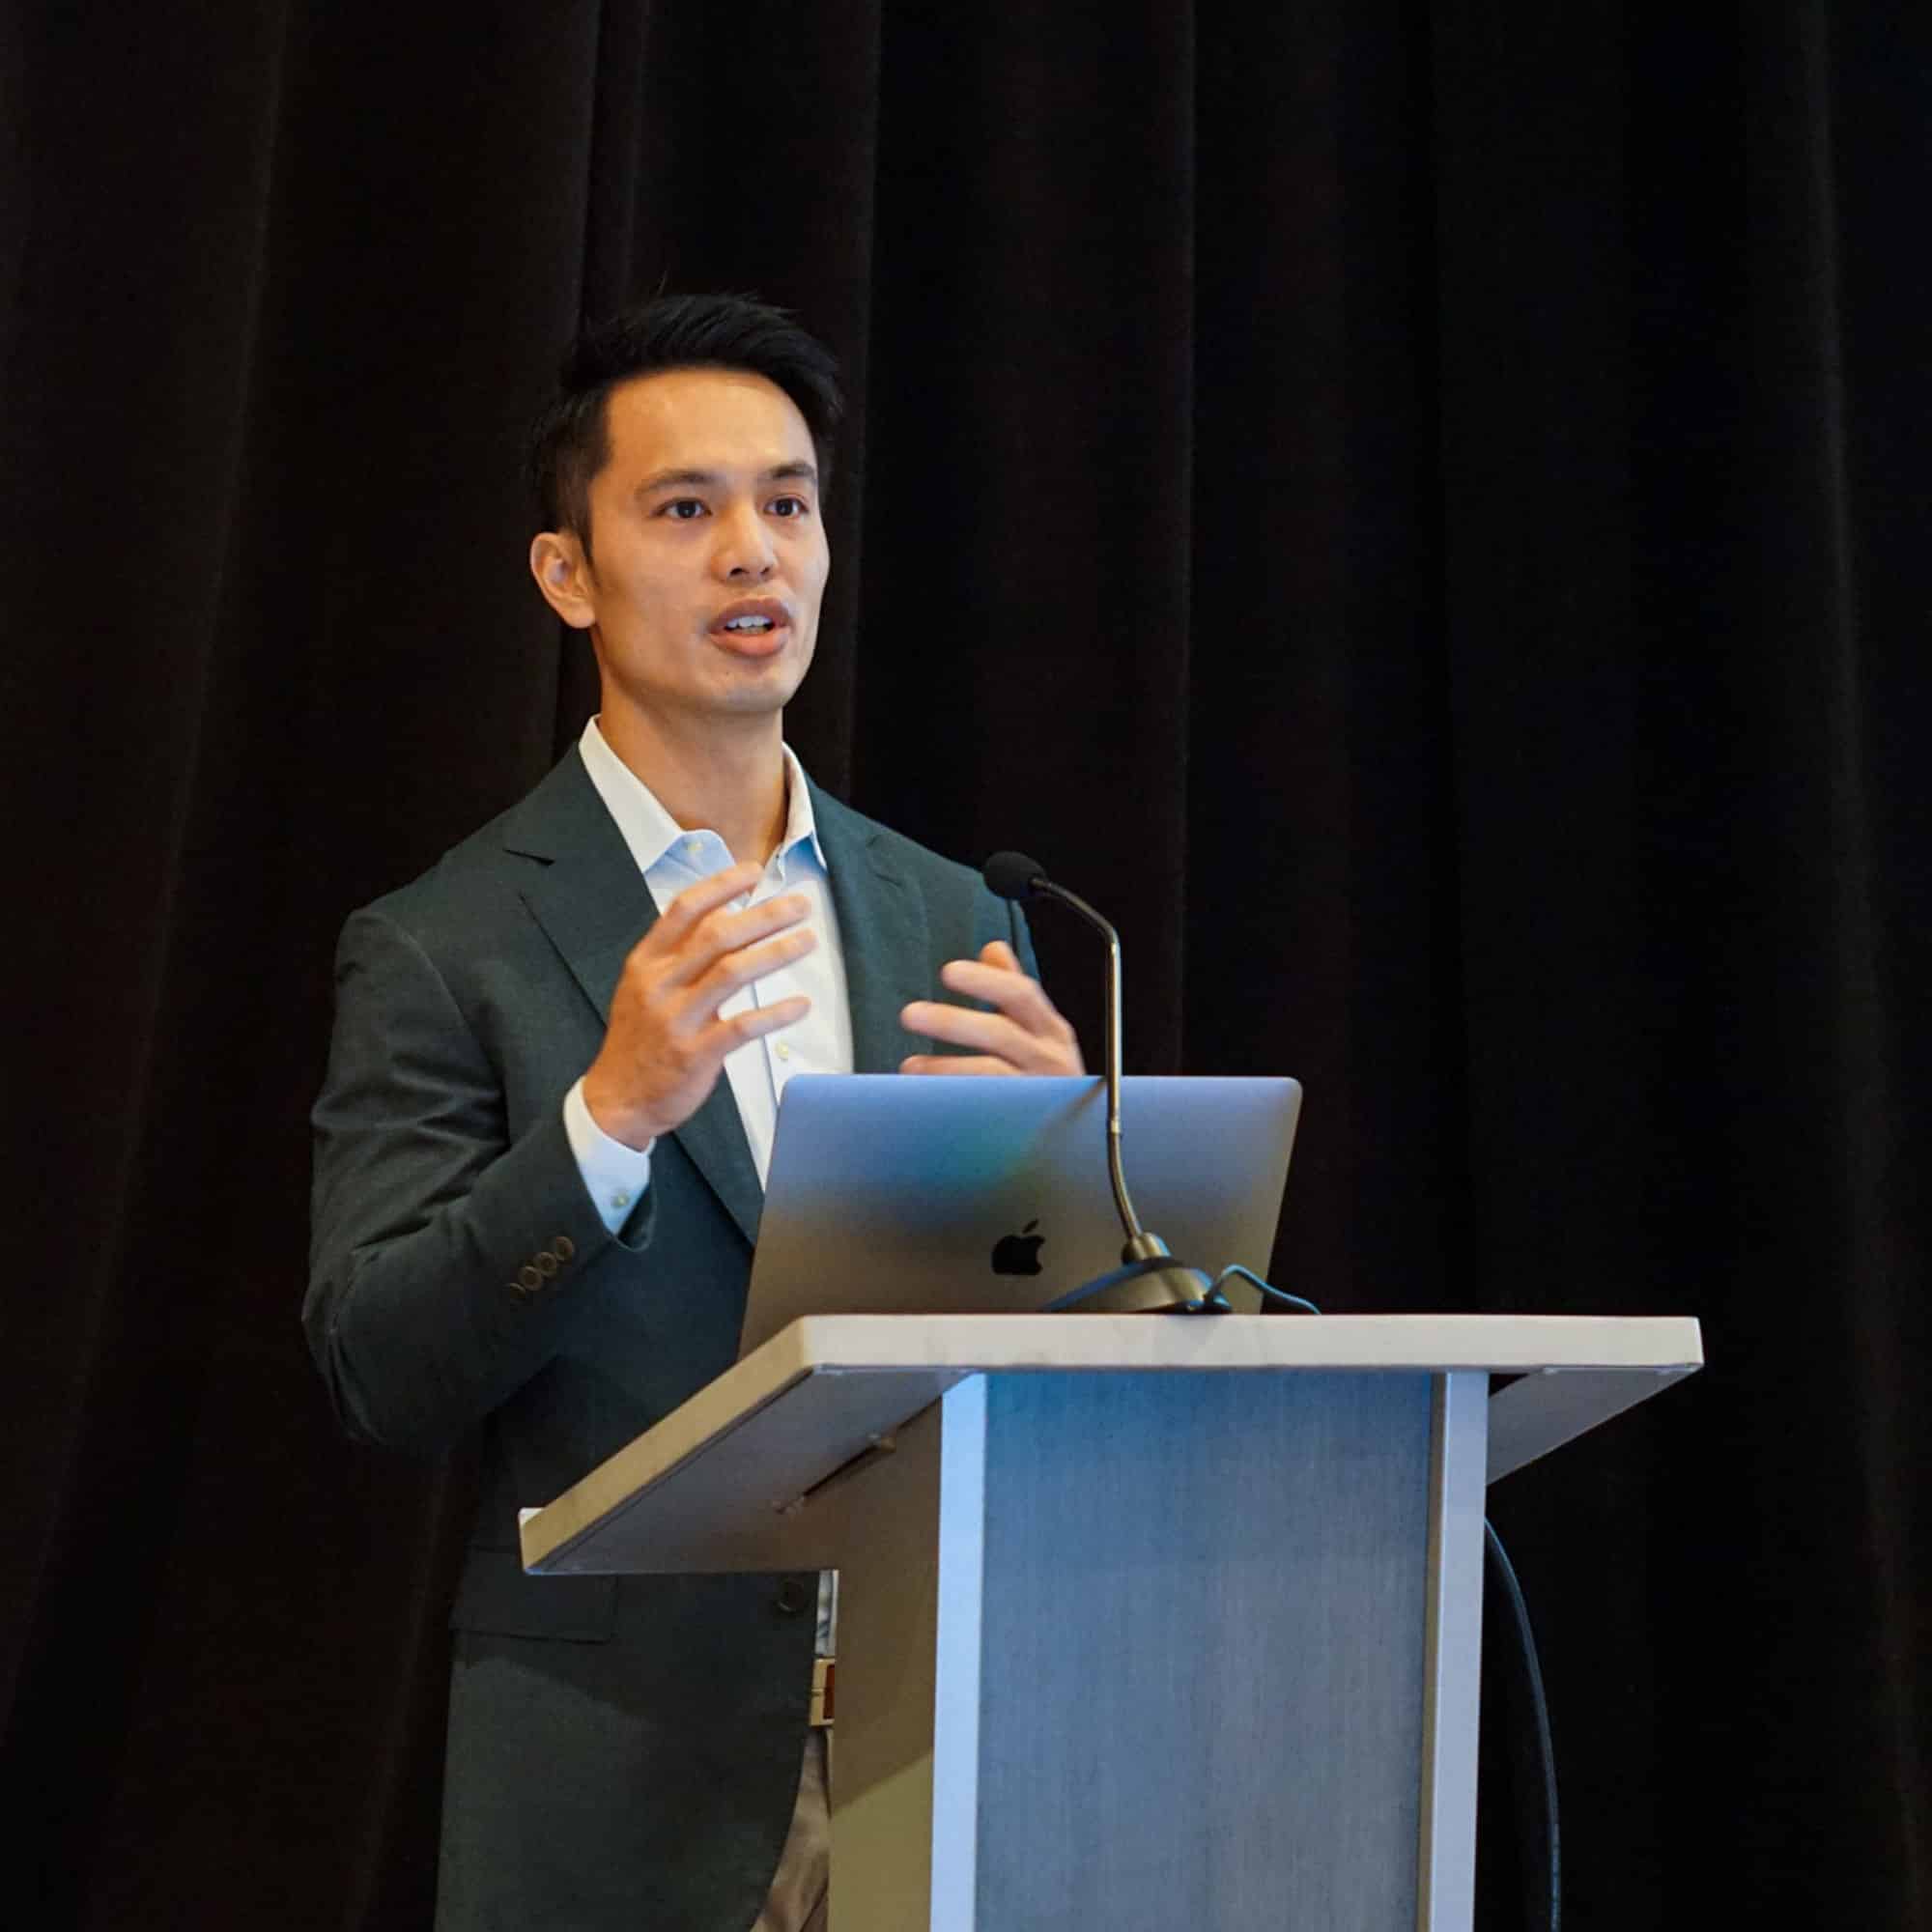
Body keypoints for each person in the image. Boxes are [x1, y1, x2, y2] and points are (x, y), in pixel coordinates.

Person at [304, 294, 1082, 1932]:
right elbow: (380, 1365)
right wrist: (607, 1120)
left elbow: (1029, 1344)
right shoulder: (446, 942)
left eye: (787, 503)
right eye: (687, 508)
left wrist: (1065, 1195)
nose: (755, 552)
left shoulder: (956, 913)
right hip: (627, 1778)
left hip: (952, 1739)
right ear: (565, 574)